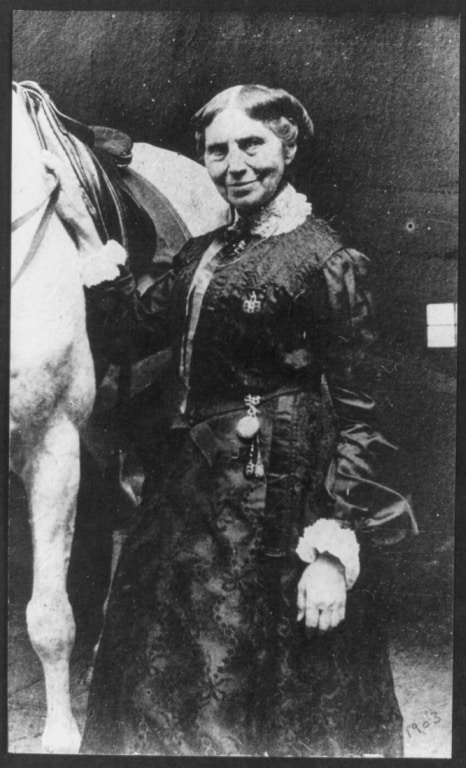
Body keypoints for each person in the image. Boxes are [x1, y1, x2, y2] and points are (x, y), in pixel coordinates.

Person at [45, 84, 417, 757]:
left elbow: (366, 415)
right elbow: (130, 330)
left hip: (284, 499)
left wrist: (331, 551)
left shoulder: (326, 261)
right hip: (191, 499)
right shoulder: (203, 254)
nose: (234, 164)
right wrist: (84, 239)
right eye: (217, 151)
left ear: (289, 146)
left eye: (252, 144)